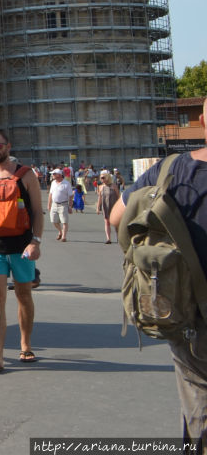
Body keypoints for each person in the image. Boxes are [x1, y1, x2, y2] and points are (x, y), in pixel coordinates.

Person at [110, 98, 207, 449]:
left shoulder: (169, 170)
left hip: (182, 307)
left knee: (197, 400)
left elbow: (117, 218)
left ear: (202, 119)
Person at [0, 131, 44, 373]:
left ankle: (25, 345)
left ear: (8, 146)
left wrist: (35, 241)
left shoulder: (26, 175)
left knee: (24, 296)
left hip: (22, 247)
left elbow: (37, 210)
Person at [48, 168, 74, 242]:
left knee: (64, 221)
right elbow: (50, 194)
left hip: (63, 204)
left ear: (59, 175)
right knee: (53, 221)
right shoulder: (53, 183)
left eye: (54, 174)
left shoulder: (66, 183)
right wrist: (49, 204)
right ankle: (60, 231)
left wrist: (70, 206)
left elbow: (71, 195)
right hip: (54, 204)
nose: (52, 175)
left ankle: (64, 237)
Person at [96, 172, 120, 244]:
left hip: (114, 205)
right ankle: (108, 238)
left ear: (107, 177)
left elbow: (118, 196)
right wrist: (98, 207)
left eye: (103, 177)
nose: (102, 179)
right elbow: (99, 198)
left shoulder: (113, 186)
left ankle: (119, 237)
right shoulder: (100, 187)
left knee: (116, 222)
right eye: (101, 178)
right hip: (105, 206)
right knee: (107, 222)